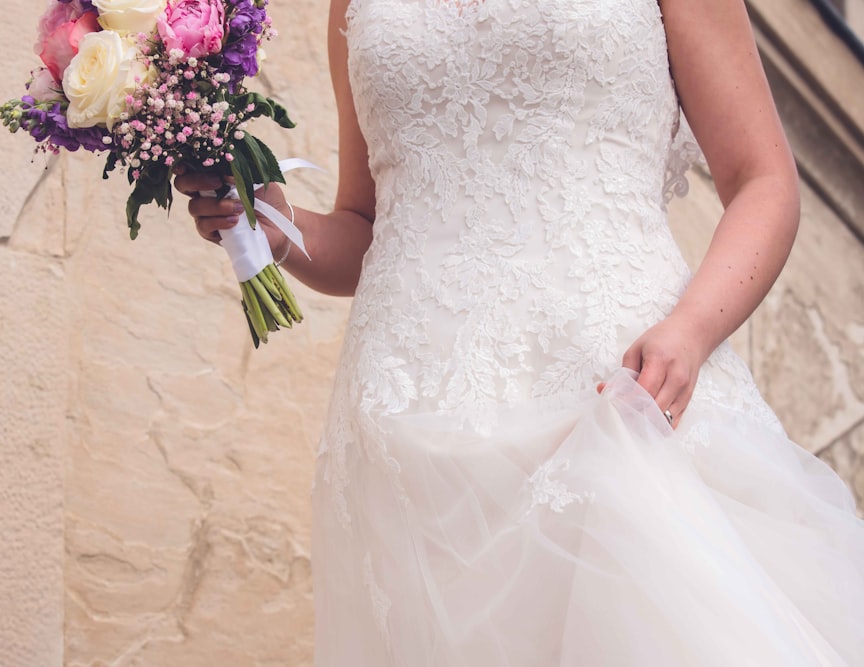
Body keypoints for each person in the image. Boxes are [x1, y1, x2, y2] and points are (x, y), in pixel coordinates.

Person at [176, 0, 864, 663]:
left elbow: (763, 178)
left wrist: (691, 330)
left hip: (617, 393)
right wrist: (273, 224)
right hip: (409, 430)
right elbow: (368, 225)